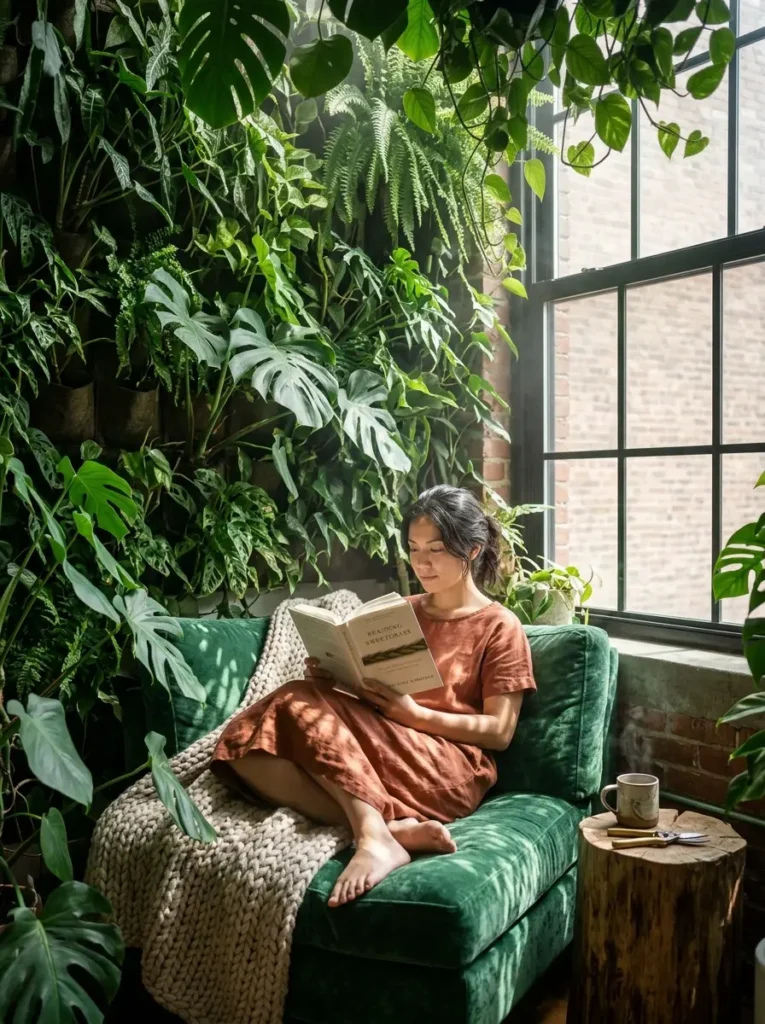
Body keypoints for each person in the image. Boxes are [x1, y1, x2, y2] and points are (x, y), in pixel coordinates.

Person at [210, 485, 537, 908]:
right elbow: (376, 694)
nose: (421, 562)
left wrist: (414, 714)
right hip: (383, 742)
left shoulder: (499, 626)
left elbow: (499, 733)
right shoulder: (401, 610)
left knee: (294, 700)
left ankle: (372, 835)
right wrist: (338, 677)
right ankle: (382, 829)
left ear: (472, 550)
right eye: (413, 548)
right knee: (243, 748)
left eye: (435, 550)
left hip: (447, 767)